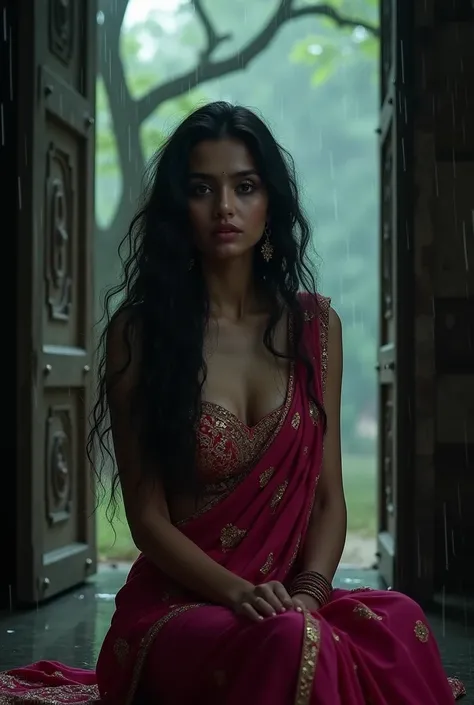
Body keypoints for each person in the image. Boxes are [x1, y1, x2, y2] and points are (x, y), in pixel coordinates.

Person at [0, 102, 465, 704]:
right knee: (288, 645)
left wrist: (308, 594)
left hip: (284, 600)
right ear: (178, 208)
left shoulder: (315, 327)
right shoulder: (142, 334)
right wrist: (237, 593)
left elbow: (327, 498)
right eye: (202, 188)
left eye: (244, 186)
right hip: (181, 605)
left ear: (270, 202)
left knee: (398, 619)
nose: (225, 207)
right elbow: (148, 518)